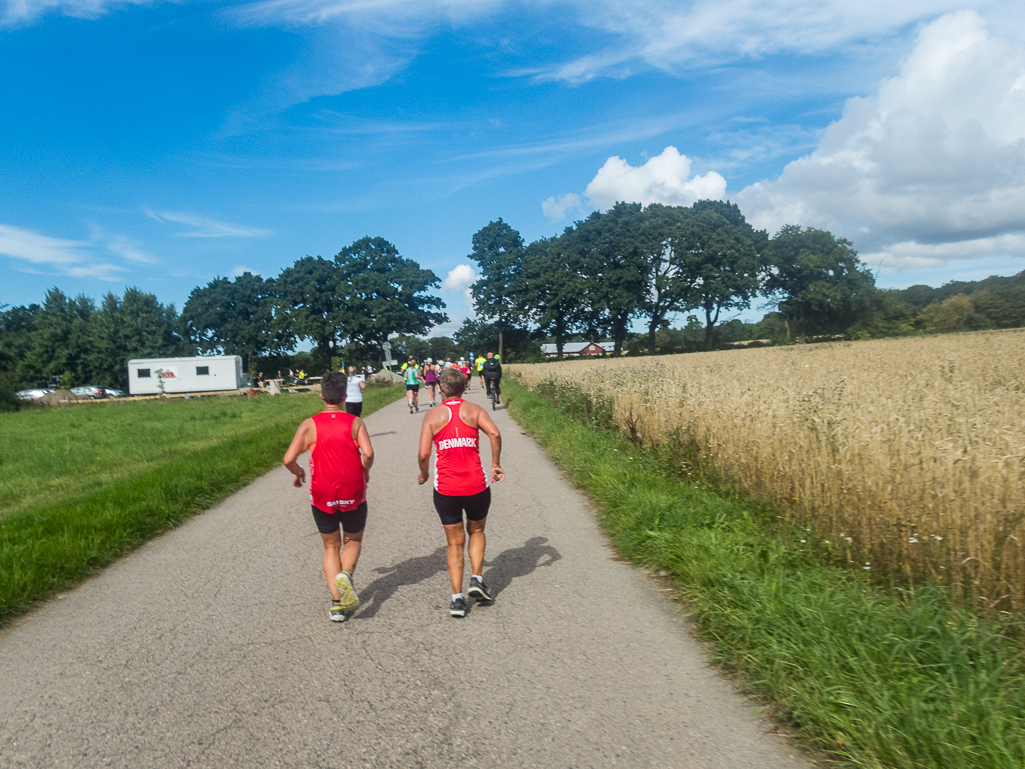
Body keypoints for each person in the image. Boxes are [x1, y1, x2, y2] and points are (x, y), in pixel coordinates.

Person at [283, 371, 374, 622]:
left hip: (322, 491)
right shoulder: (354, 422)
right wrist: (364, 472)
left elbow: (288, 459)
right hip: (353, 489)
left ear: (322, 395)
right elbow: (367, 452)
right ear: (345, 396)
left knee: (330, 545)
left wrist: (299, 472)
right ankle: (346, 574)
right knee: (353, 539)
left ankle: (337, 604)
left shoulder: (310, 424)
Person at [417, 368, 504, 618]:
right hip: (476, 485)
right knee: (476, 530)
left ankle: (457, 599)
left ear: (441, 389)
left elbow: (424, 454)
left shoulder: (432, 416)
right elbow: (495, 433)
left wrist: (424, 474)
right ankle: (476, 578)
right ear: (464, 387)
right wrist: (495, 464)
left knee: (454, 542)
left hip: (446, 489)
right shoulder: (475, 410)